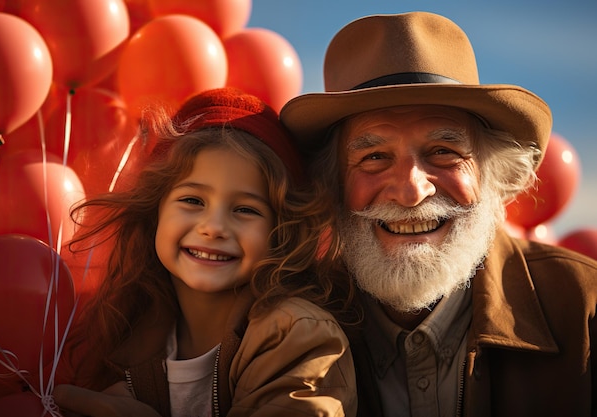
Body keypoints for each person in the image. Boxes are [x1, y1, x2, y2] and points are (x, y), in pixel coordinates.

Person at [280, 11, 597, 417]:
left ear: (491, 173)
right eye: (374, 157)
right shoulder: (287, 329)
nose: (412, 192)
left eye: (443, 152)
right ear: (332, 184)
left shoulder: (585, 308)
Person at [53, 87, 357, 417]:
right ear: (155, 213)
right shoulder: (132, 332)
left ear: (279, 232)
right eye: (192, 201)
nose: (213, 227)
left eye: (245, 209)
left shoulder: (298, 334)